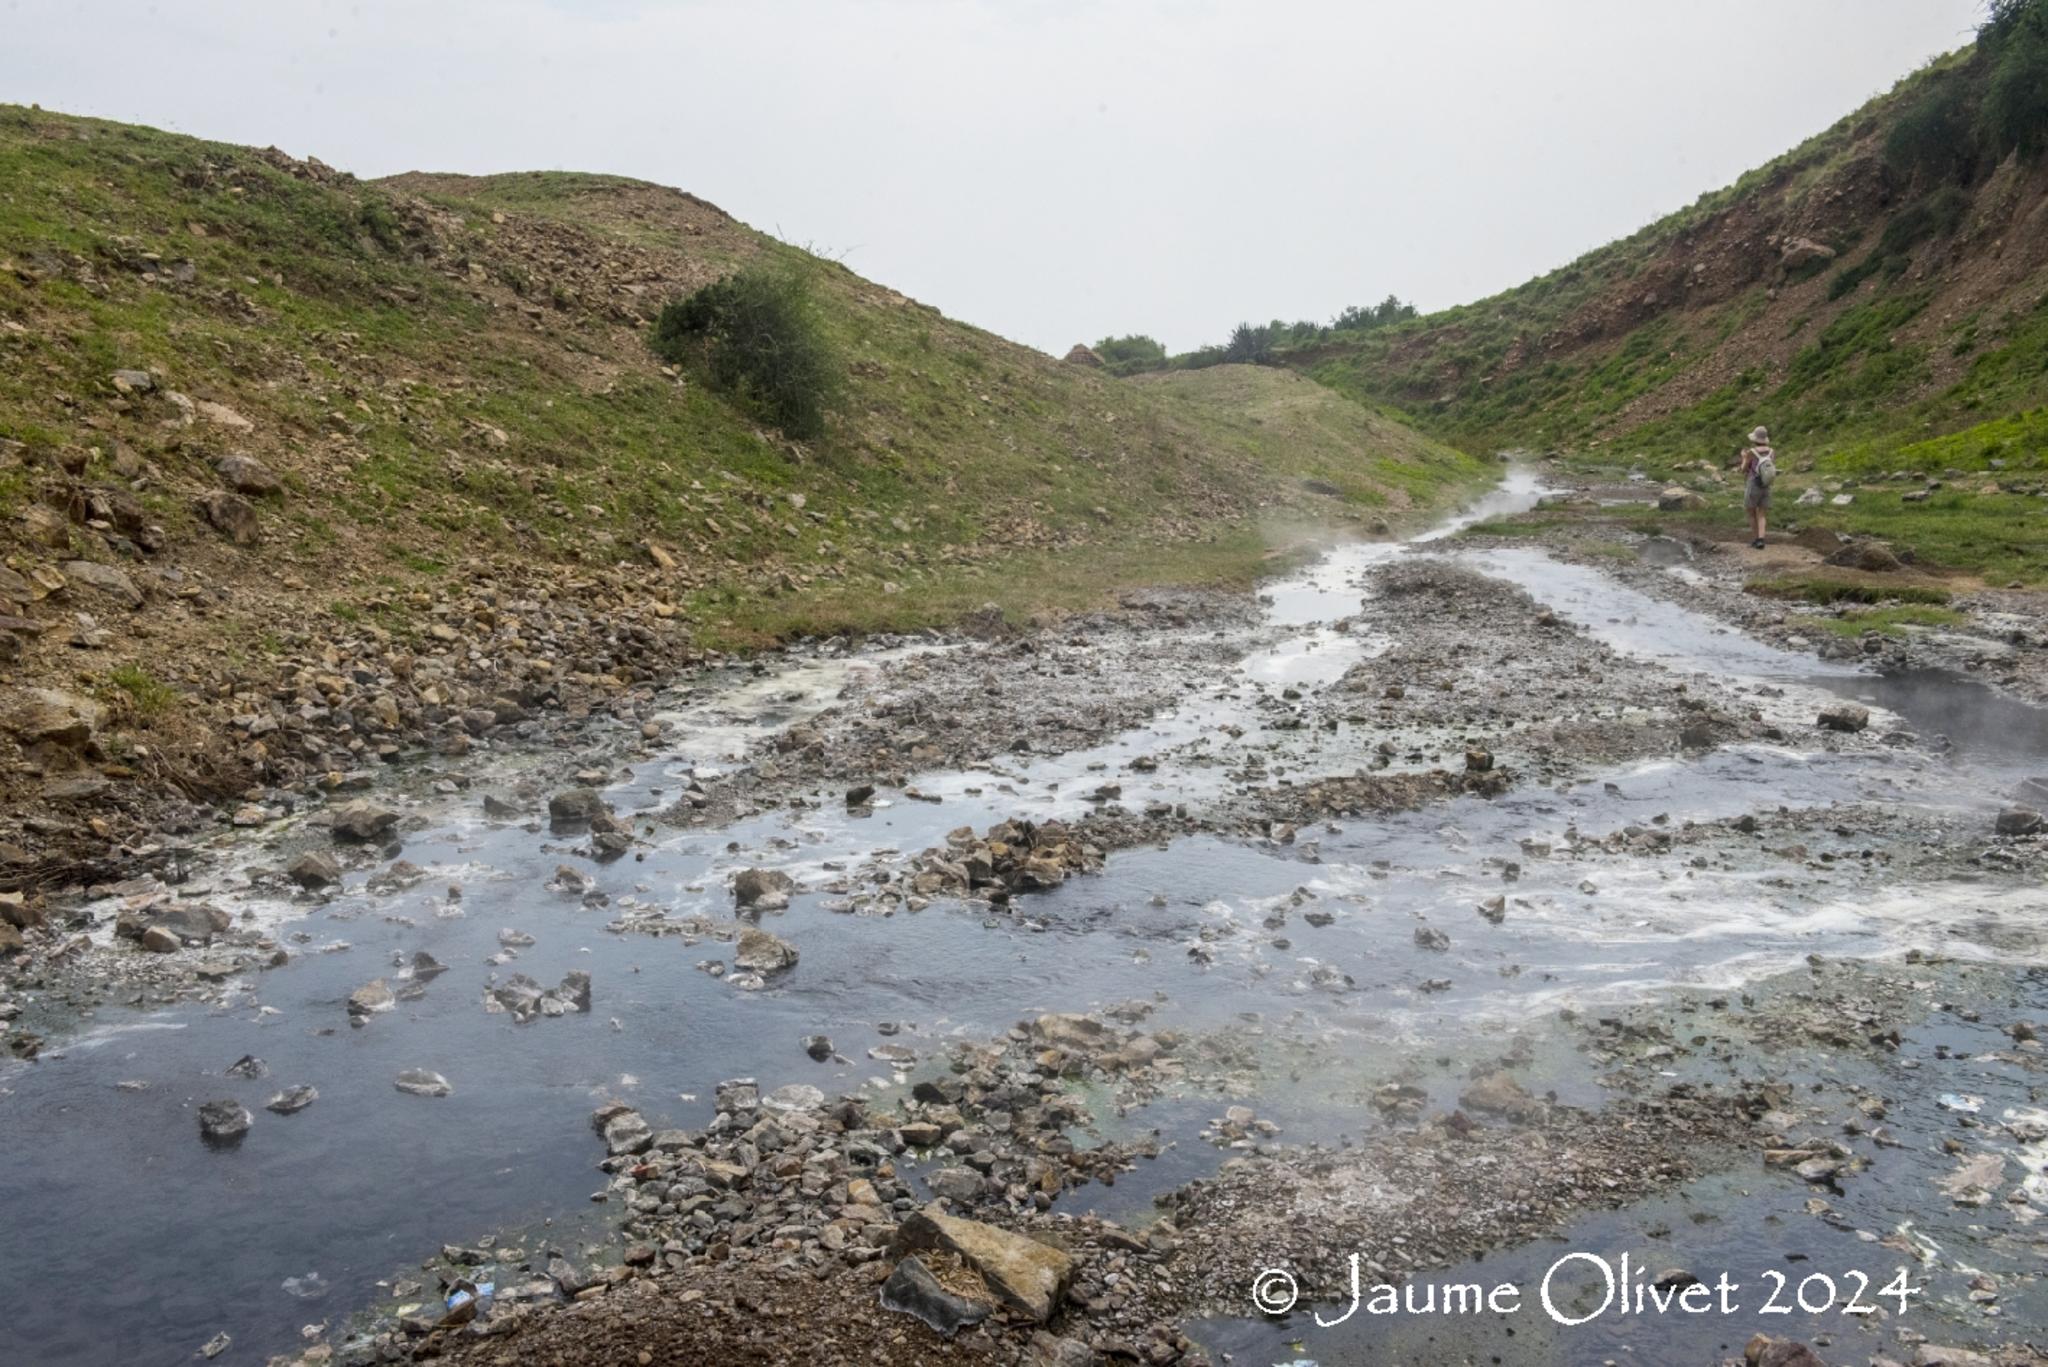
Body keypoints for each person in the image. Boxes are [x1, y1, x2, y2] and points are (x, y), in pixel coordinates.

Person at [1736, 425, 1773, 549]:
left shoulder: (1752, 452)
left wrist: (1743, 457)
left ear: (1755, 439)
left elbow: (1743, 469)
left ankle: (1756, 539)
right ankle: (1762, 539)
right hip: (1766, 484)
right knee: (1762, 513)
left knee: (1751, 512)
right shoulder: (1772, 451)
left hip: (1753, 483)